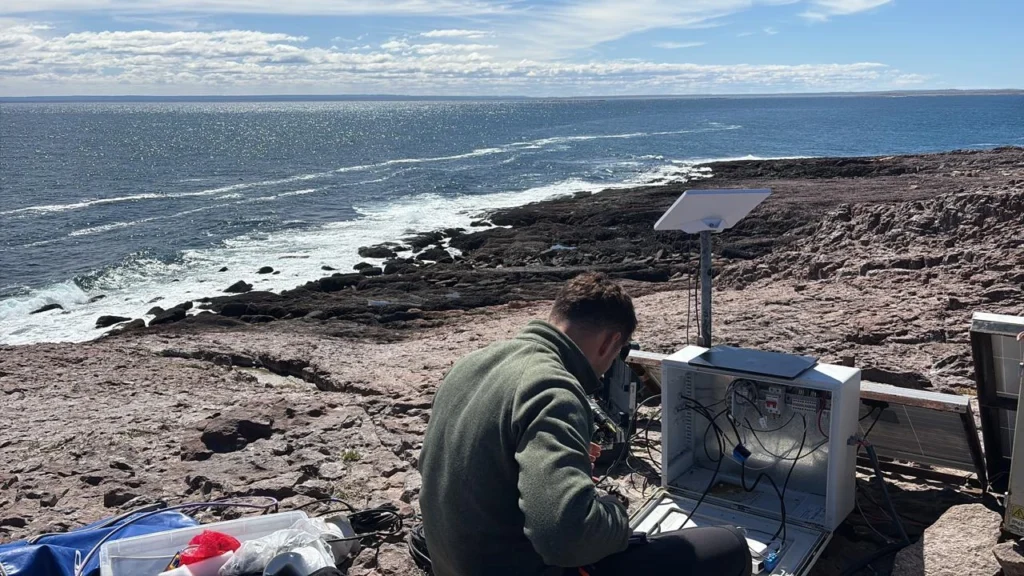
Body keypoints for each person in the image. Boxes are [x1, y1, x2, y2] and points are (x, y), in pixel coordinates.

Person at [417, 272, 752, 576]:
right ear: (609, 343)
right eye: (618, 353)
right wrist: (614, 513)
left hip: (455, 563)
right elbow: (565, 539)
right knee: (730, 545)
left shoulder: (471, 363)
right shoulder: (553, 389)